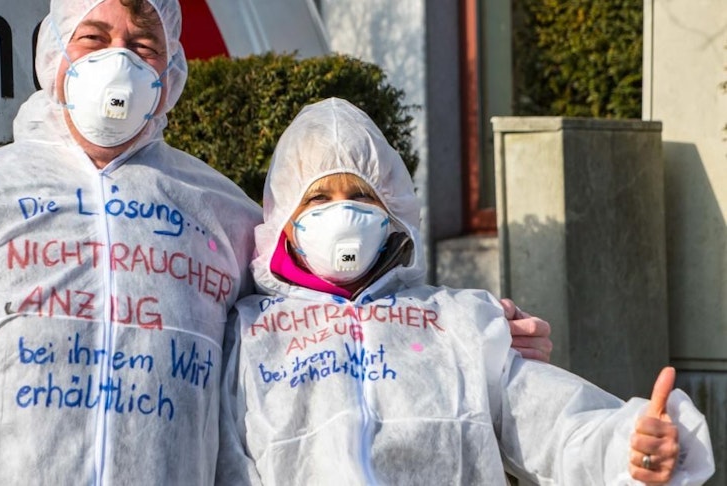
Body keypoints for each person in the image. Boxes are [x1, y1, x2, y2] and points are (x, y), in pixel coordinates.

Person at [0, 1, 551, 483]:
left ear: (172, 74)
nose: (121, 60)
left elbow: (343, 320)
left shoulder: (225, 217)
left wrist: (472, 337)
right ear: (54, 55)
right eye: (97, 38)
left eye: (145, 43)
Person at [216, 98, 715, 485]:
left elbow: (549, 419)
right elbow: (228, 464)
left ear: (392, 211)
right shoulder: (252, 333)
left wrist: (625, 446)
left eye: (362, 195)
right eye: (319, 197)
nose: (343, 213)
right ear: (286, 220)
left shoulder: (455, 321)